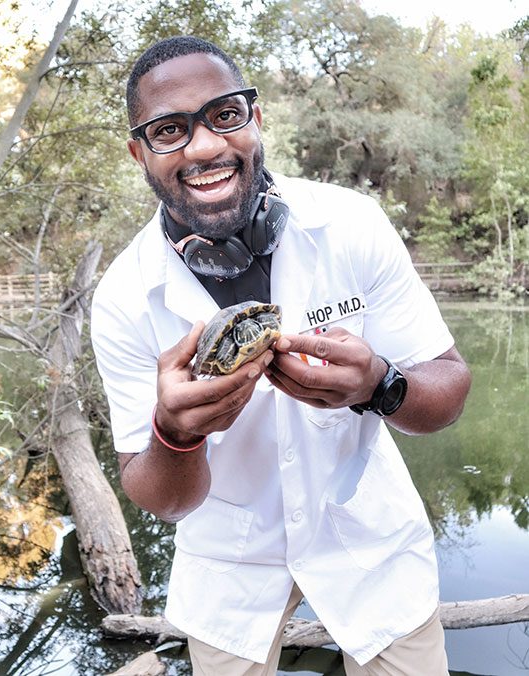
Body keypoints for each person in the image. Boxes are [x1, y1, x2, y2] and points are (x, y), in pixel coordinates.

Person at [91, 36, 471, 676]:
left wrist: (381, 384)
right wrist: (175, 434)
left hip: (370, 542)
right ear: (139, 153)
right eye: (168, 130)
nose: (205, 145)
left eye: (223, 116)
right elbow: (161, 496)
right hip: (228, 568)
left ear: (255, 119)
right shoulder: (124, 299)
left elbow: (450, 387)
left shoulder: (352, 224)